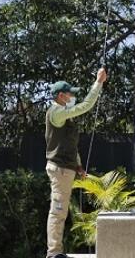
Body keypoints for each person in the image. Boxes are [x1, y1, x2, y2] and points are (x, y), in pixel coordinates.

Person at [44, 68, 107, 258]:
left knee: (60, 212)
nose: (72, 97)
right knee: (58, 212)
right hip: (60, 169)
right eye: (70, 94)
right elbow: (85, 106)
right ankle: (54, 253)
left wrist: (78, 165)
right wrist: (98, 83)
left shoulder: (64, 114)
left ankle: (55, 252)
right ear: (61, 96)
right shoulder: (56, 113)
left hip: (66, 169)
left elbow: (70, 144)